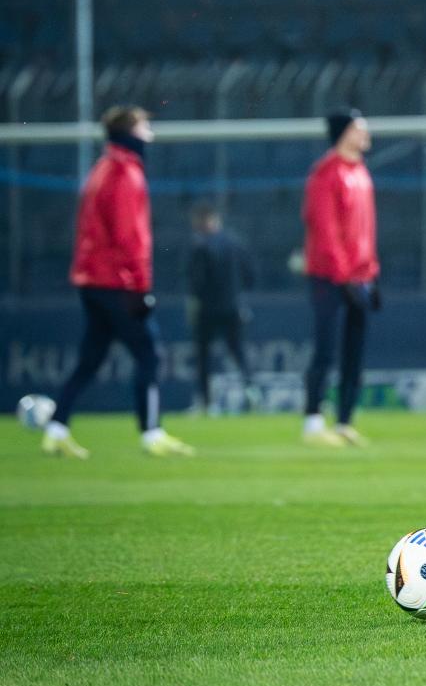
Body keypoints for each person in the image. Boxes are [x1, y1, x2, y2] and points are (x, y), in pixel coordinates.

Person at [38, 106, 194, 458]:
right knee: (149, 354)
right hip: (116, 282)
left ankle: (56, 428)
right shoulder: (126, 173)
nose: (150, 133)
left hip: (92, 279)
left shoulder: (102, 168)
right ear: (131, 131)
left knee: (90, 358)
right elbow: (129, 236)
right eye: (145, 126)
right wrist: (140, 285)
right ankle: (152, 433)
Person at [301, 109, 380, 446]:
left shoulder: (360, 171)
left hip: (360, 277)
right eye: (359, 128)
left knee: (354, 352)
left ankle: (345, 420)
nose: (366, 134)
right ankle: (312, 422)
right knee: (326, 349)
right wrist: (344, 275)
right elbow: (325, 229)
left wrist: (370, 272)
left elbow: (365, 231)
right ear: (344, 133)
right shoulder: (326, 173)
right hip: (330, 277)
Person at [186, 202, 261, 414]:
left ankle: (205, 402)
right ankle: (251, 390)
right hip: (233, 307)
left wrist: (195, 305)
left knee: (204, 356)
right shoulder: (236, 243)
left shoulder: (200, 246)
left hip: (208, 310)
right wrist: (239, 295)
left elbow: (196, 282)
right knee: (238, 352)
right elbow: (251, 275)